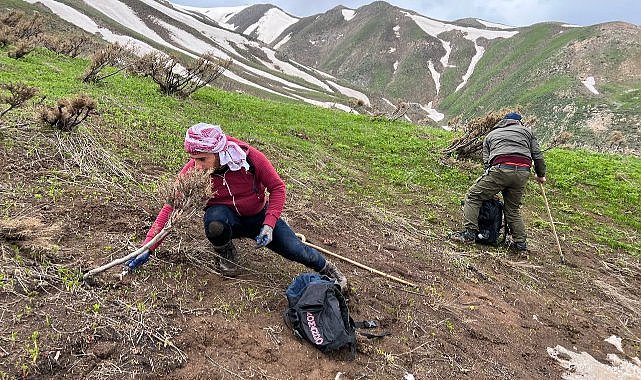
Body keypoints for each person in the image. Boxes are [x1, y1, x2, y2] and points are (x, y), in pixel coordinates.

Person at [126, 123, 348, 290]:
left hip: (258, 218)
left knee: (297, 251)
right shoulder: (192, 172)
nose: (197, 166)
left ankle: (328, 269)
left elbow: (278, 188)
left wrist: (269, 224)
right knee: (215, 223)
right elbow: (170, 208)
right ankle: (224, 250)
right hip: (225, 219)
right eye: (193, 159)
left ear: (219, 152)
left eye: (202, 159)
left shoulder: (250, 159)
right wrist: (149, 246)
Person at [449, 112, 546, 252]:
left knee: (473, 196)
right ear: (519, 123)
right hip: (523, 173)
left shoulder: (491, 135)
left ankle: (469, 234)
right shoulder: (527, 132)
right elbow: (537, 155)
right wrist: (541, 174)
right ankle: (520, 244)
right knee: (512, 209)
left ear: (503, 122)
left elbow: (487, 163)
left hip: (500, 169)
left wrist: (490, 189)